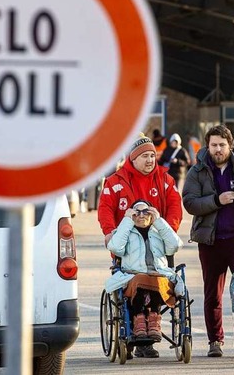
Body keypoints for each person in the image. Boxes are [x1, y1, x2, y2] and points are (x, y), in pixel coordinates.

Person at [98, 134, 182, 358]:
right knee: (133, 283)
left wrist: (167, 230)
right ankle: (133, 331)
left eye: (152, 156)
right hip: (127, 247)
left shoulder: (164, 179)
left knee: (155, 279)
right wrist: (109, 232)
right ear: (133, 158)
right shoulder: (116, 182)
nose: (150, 160)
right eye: (145, 156)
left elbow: (175, 206)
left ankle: (147, 338)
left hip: (156, 245)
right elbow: (105, 208)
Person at [182, 124, 234, 357]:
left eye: (222, 145)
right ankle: (215, 341)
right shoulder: (197, 171)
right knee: (213, 294)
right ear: (207, 147)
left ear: (230, 146)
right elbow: (190, 202)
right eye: (214, 145)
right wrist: (217, 200)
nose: (218, 149)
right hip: (210, 242)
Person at [105, 200, 184, 353]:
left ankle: (154, 319)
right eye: (136, 212)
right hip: (133, 277)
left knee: (157, 278)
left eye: (146, 211)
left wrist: (159, 221)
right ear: (131, 215)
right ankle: (139, 320)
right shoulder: (125, 231)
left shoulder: (158, 231)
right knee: (141, 278)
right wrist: (127, 221)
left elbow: (175, 246)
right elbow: (115, 248)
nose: (141, 215)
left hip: (159, 275)